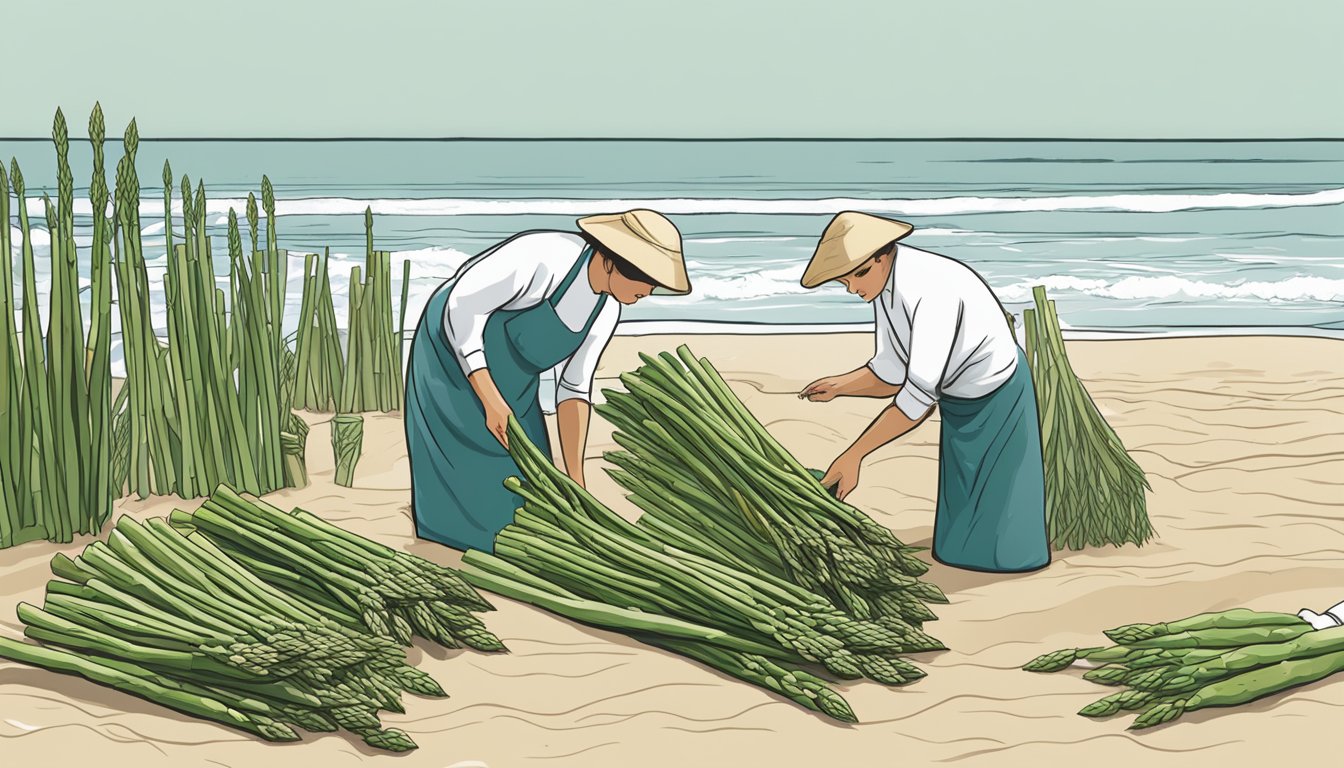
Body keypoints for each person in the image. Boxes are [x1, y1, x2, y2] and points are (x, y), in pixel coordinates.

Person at [404, 209, 691, 552]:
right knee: (462, 479)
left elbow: (572, 389)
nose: (648, 291)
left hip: (515, 380)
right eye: (644, 278)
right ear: (612, 261)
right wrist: (491, 400)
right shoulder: (546, 257)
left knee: (530, 489)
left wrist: (576, 479)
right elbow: (462, 307)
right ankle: (447, 538)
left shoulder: (606, 311)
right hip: (452, 355)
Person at [797, 211, 1050, 574]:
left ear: (884, 255)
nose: (853, 288)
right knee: (958, 522)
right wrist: (840, 387)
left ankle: (1012, 566)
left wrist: (854, 455)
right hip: (956, 398)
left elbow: (917, 398)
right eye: (844, 281)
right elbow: (891, 370)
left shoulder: (931, 290)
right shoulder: (885, 288)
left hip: (998, 393)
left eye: (860, 274)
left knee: (1003, 525)